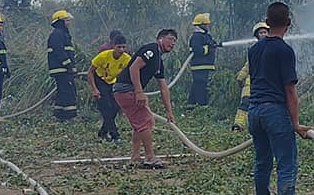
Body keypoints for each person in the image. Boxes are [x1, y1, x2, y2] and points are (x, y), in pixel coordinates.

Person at [248, 2, 313, 195]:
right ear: (288, 23)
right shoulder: (284, 51)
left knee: (262, 162)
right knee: (287, 166)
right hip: (275, 113)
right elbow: (290, 92)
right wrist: (295, 124)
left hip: (254, 112)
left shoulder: (255, 49)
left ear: (267, 22)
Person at [112, 29, 178, 169]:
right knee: (146, 121)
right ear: (160, 38)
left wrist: (169, 111)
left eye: (175, 41)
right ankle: (150, 157)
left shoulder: (158, 62)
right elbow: (134, 68)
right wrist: (139, 91)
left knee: (139, 124)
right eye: (170, 39)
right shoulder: (151, 50)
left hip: (126, 90)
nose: (173, 44)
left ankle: (135, 157)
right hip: (126, 89)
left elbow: (163, 87)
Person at [88, 34, 130, 143]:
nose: (121, 50)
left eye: (123, 47)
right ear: (113, 46)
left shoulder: (127, 59)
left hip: (113, 83)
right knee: (106, 107)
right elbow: (90, 72)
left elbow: (128, 75)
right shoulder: (103, 56)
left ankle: (103, 132)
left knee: (115, 107)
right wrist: (94, 89)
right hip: (100, 80)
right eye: (119, 47)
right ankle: (115, 135)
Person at [232, 21, 270, 131]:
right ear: (257, 35)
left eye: (265, 32)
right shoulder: (254, 49)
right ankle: (238, 125)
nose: (263, 34)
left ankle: (260, 126)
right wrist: (240, 77)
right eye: (261, 33)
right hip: (250, 83)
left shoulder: (273, 48)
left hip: (266, 84)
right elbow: (248, 65)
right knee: (245, 104)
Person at [48, 10, 78, 121]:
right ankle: (70, 116)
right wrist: (69, 65)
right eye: (66, 20)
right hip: (62, 69)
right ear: (60, 22)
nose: (68, 23)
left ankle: (59, 114)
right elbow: (59, 51)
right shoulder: (58, 34)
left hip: (62, 69)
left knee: (62, 92)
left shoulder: (61, 34)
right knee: (68, 91)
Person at [188, 13, 219, 106]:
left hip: (204, 65)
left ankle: (191, 104)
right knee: (201, 85)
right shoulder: (196, 36)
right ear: (200, 25)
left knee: (198, 84)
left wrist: (214, 44)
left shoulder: (205, 35)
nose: (207, 26)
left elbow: (210, 43)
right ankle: (202, 105)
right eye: (206, 24)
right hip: (199, 66)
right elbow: (197, 50)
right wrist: (208, 49)